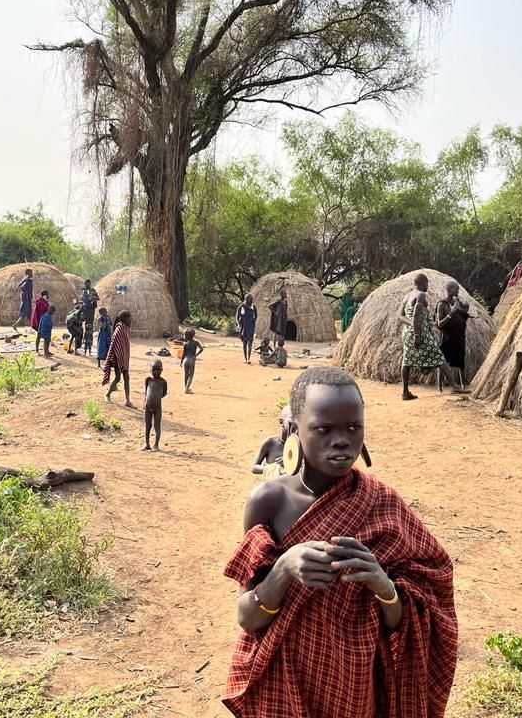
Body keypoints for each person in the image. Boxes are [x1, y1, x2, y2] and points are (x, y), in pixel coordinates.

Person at [222, 366, 458, 717]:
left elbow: (412, 618)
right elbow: (248, 618)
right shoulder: (268, 502)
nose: (342, 440)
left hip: (354, 685)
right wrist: (285, 568)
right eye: (324, 428)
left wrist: (384, 586)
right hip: (283, 679)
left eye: (353, 427)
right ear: (296, 429)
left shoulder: (384, 504)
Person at [399, 273, 458, 401]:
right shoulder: (420, 295)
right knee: (438, 357)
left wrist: (414, 325)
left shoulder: (407, 296)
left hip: (407, 332)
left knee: (407, 360)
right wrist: (417, 333)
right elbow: (416, 315)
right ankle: (454, 386)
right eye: (427, 284)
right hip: (420, 333)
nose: (427, 286)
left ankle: (405, 392)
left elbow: (400, 316)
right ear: (422, 283)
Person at [434, 283, 470, 391]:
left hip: (459, 336)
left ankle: (463, 387)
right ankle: (439, 388)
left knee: (460, 361)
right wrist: (452, 312)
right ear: (449, 290)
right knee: (443, 361)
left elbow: (463, 313)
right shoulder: (442, 304)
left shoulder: (457, 303)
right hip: (446, 337)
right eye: (456, 289)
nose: (458, 291)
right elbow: (440, 324)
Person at [251, 405, 293, 478]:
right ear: (281, 422)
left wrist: (291, 461)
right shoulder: (270, 443)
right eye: (291, 422)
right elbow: (254, 468)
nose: (295, 425)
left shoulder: (299, 445)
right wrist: (277, 469)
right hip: (272, 487)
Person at [103, 310, 134, 407]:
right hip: (117, 357)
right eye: (129, 318)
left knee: (126, 378)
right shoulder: (119, 330)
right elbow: (115, 345)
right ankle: (107, 395)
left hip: (124, 358)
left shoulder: (126, 328)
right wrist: (119, 357)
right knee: (117, 378)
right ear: (124, 319)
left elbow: (125, 345)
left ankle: (128, 401)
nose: (131, 320)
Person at [142, 359, 167, 451]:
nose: (155, 372)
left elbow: (164, 393)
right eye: (153, 369)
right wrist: (145, 402)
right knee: (147, 425)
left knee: (157, 426)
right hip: (148, 406)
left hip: (157, 407)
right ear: (150, 369)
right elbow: (146, 392)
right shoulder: (148, 380)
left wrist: (156, 398)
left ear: (162, 370)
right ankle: (147, 444)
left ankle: (156, 445)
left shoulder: (163, 382)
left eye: (158, 369)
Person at [180, 328, 205, 394]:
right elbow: (202, 349)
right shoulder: (196, 342)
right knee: (191, 375)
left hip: (186, 360)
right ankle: (187, 389)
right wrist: (195, 356)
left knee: (186, 374)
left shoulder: (185, 344)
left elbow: (183, 354)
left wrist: (181, 362)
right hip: (192, 360)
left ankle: (186, 388)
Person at [237, 294, 257, 365]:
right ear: (247, 299)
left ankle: (249, 358)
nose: (252, 300)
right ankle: (245, 358)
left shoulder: (253, 307)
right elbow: (237, 316)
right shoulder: (241, 307)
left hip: (250, 326)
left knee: (250, 342)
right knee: (244, 342)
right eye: (251, 299)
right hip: (243, 326)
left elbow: (256, 316)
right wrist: (239, 324)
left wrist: (252, 323)